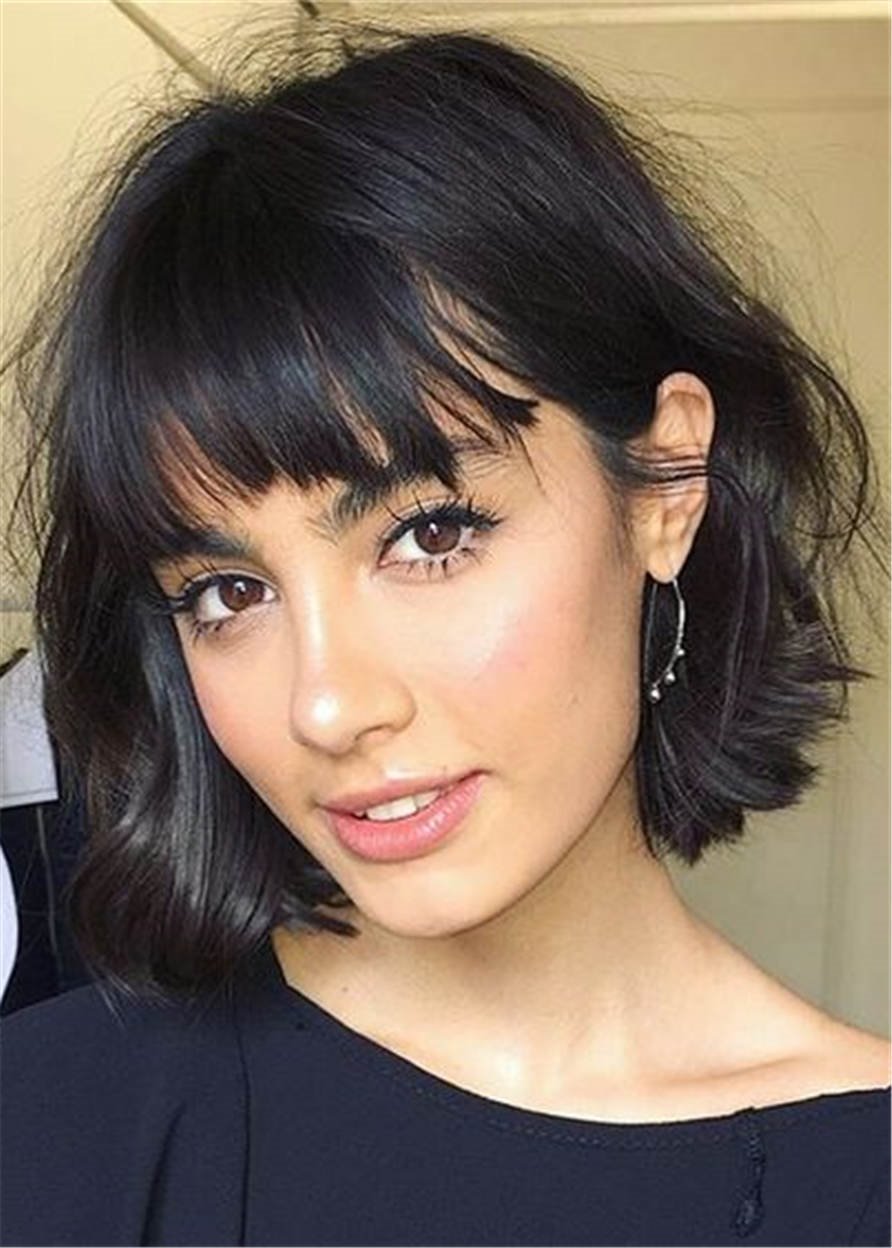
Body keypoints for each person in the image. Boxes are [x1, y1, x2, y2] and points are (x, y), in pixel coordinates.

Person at [1, 23, 889, 1248]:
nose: (326, 705)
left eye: (429, 535)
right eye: (227, 593)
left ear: (666, 482)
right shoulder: (47, 1129)